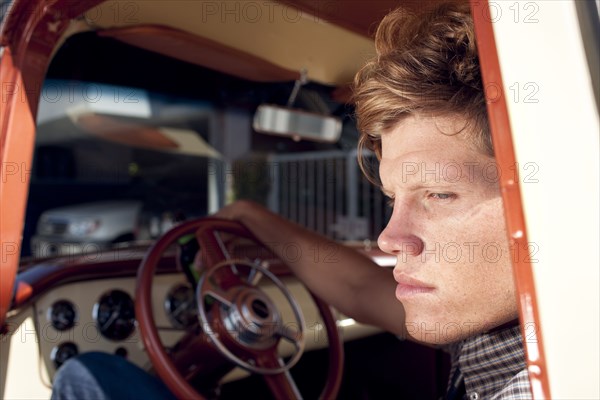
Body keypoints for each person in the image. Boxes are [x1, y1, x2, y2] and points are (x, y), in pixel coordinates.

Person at [52, 2, 532, 399]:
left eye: (439, 194)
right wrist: (247, 216)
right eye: (392, 199)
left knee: (87, 377)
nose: (390, 237)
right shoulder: (505, 333)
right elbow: (363, 290)